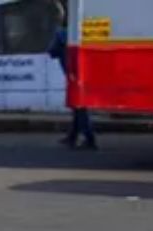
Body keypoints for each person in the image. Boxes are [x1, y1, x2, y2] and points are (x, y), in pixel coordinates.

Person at [49, 4, 97, 151]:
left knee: (79, 106)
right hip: (82, 71)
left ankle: (89, 138)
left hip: (71, 73)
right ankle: (73, 136)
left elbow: (52, 51)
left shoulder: (60, 33)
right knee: (77, 105)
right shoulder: (81, 32)